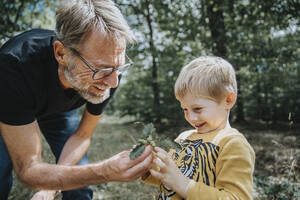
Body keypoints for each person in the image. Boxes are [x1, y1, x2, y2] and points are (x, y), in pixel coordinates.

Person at [0, 0, 153, 200]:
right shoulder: (14, 66)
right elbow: (28, 171)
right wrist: (105, 171)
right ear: (61, 53)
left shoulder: (110, 71)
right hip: (9, 105)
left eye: (119, 68)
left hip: (59, 111)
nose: (114, 82)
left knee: (79, 184)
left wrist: (50, 188)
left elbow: (82, 135)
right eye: (102, 69)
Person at [142, 56, 255, 199]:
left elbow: (236, 197)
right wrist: (148, 168)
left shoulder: (232, 144)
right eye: (185, 109)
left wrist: (185, 185)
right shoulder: (184, 137)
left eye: (197, 109)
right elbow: (170, 178)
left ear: (228, 100)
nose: (190, 117)